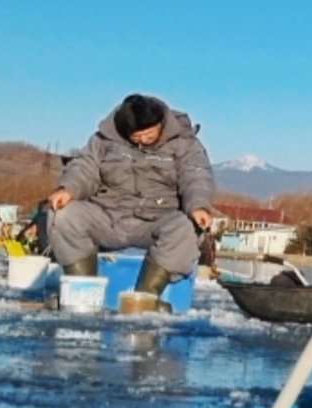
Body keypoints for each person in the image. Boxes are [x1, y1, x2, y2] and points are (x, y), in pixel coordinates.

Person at [47, 94, 215, 309]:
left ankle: (146, 299)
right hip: (108, 217)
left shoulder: (185, 144)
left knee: (186, 226)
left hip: (157, 221)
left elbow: (196, 176)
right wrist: (68, 189)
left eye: (148, 134)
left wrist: (199, 206)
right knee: (63, 215)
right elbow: (84, 167)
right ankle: (83, 293)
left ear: (161, 123)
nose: (143, 140)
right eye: (136, 136)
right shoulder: (103, 140)